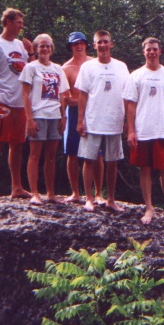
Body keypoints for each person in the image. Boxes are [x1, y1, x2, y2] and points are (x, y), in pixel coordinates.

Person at [123, 37, 164, 227]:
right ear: (143, 52)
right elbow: (130, 106)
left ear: (160, 51)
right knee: (145, 170)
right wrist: (131, 131)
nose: (151, 52)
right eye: (148, 49)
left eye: (154, 49)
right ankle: (149, 208)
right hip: (142, 131)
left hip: (162, 131)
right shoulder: (135, 75)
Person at [0, 8, 35, 200]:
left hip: (20, 102)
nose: (21, 26)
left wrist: (30, 52)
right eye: (19, 22)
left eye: (22, 22)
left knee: (17, 146)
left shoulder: (20, 45)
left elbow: (30, 70)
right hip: (2, 101)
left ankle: (17, 187)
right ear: (8, 22)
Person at [75, 30, 129, 212]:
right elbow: (82, 95)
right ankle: (89, 198)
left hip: (115, 121)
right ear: (95, 45)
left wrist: (129, 121)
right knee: (89, 159)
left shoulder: (121, 66)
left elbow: (128, 95)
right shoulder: (87, 67)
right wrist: (80, 120)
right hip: (92, 121)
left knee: (112, 161)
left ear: (111, 44)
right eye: (99, 42)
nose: (103, 45)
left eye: (106, 42)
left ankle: (111, 199)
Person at [19, 34, 70, 205]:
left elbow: (63, 95)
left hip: (54, 116)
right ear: (36, 48)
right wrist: (29, 118)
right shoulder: (31, 68)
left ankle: (51, 193)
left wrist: (64, 116)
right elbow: (25, 94)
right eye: (41, 46)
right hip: (37, 115)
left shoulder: (57, 69)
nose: (45, 49)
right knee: (35, 155)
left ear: (52, 48)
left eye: (48, 46)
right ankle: (34, 193)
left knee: (51, 156)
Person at [62, 32, 105, 204]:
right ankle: (75, 192)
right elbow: (65, 98)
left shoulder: (95, 64)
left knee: (97, 154)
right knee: (72, 154)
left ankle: (99, 193)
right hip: (73, 114)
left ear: (87, 45)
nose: (78, 46)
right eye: (74, 44)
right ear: (70, 46)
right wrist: (82, 101)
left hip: (94, 113)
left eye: (81, 43)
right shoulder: (65, 68)